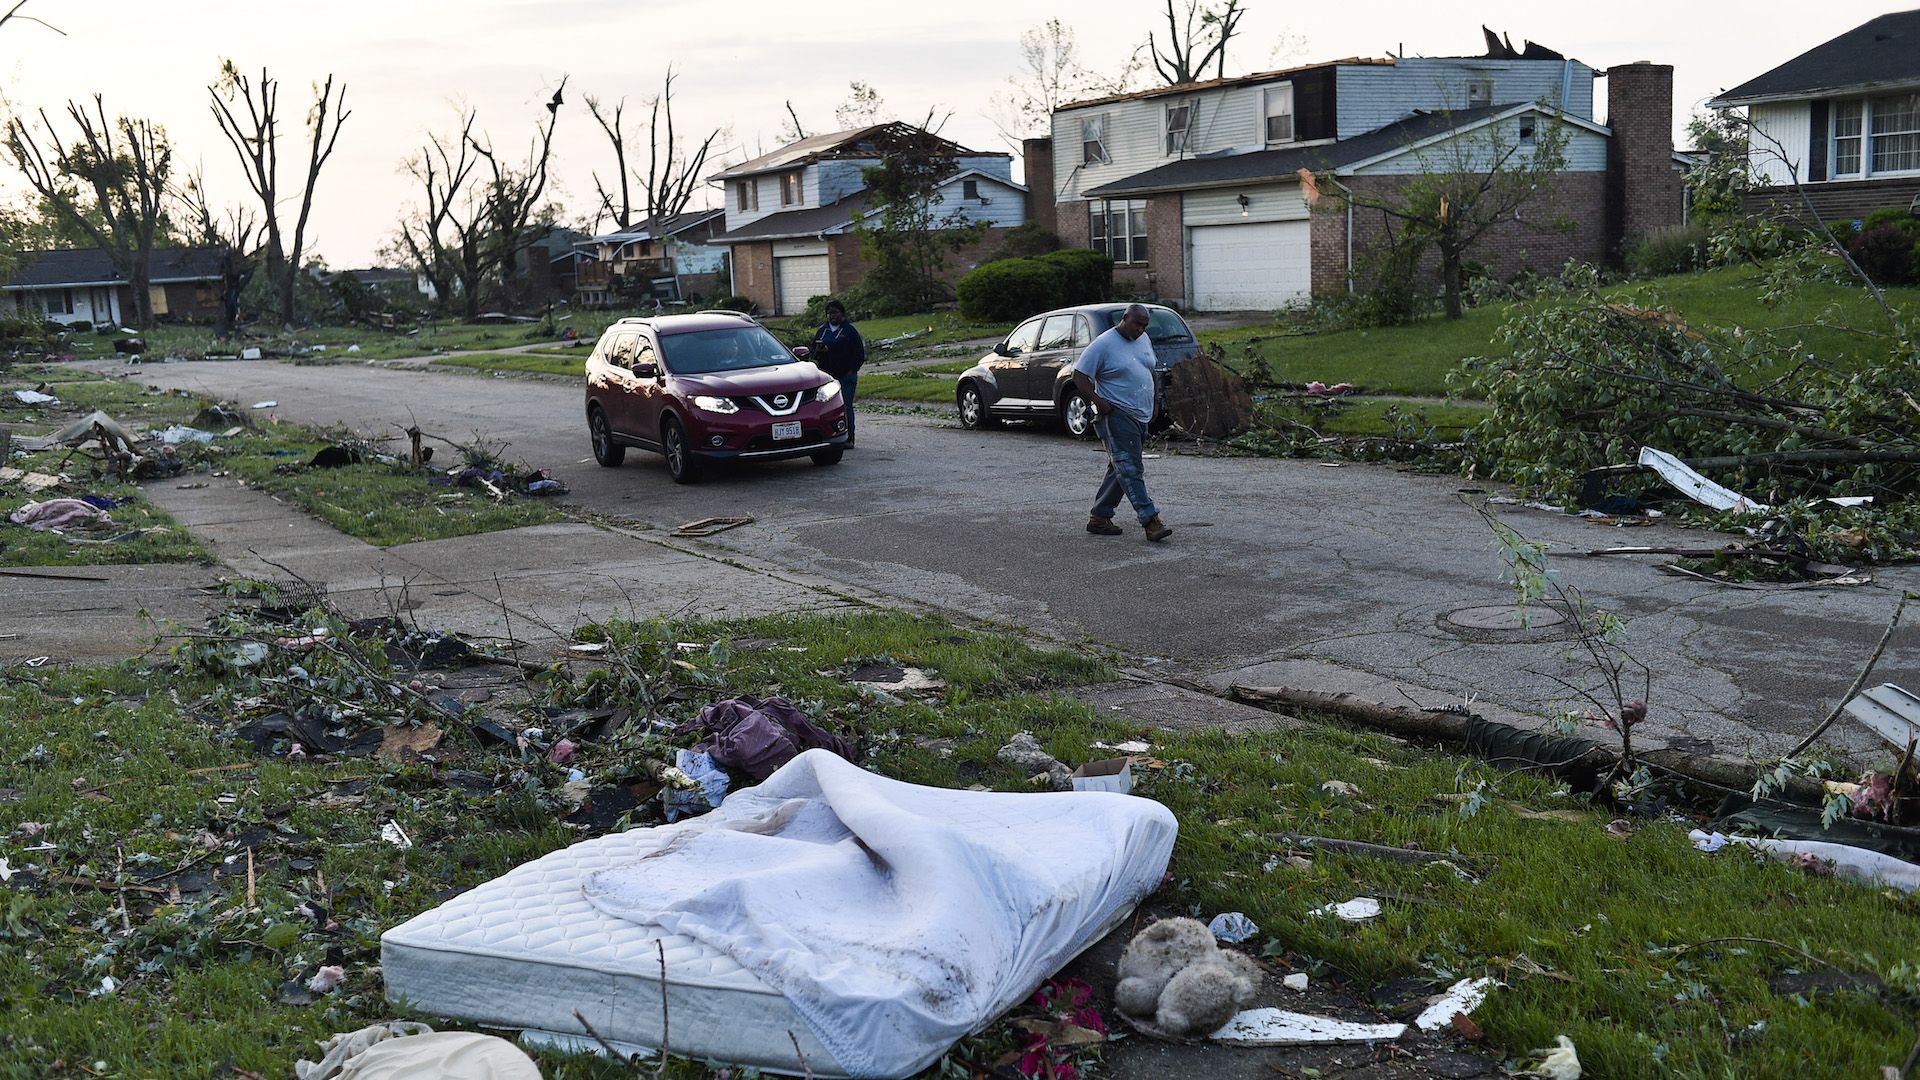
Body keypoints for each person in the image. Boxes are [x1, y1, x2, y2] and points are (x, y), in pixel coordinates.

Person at [1071, 303, 1172, 542]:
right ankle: (1150, 520)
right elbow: (1079, 375)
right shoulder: (1104, 344)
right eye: (1137, 324)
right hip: (1116, 414)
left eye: (1144, 325)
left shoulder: (1144, 339)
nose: (1140, 329)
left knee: (1120, 467)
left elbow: (1151, 369)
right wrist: (1099, 401)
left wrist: (1156, 400)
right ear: (1125, 318)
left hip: (1141, 413)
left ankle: (1100, 517)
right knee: (1129, 467)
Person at [811, 299, 866, 447]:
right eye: (829, 313)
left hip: (846, 376)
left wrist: (852, 370)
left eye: (835, 312)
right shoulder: (823, 330)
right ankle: (830, 437)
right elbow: (813, 352)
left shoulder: (849, 331)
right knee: (828, 408)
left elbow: (859, 354)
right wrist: (819, 351)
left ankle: (849, 438)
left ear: (842, 313)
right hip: (828, 377)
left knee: (846, 406)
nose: (832, 316)